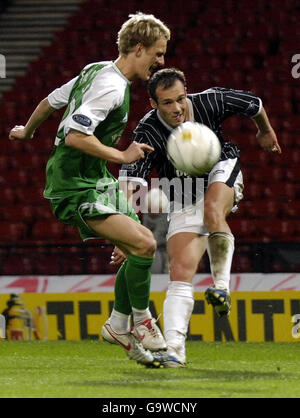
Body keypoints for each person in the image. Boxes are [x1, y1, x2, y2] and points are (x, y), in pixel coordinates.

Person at [9, 13, 171, 367]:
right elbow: (75, 135)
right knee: (145, 243)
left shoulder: (96, 69)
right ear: (138, 48)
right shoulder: (111, 87)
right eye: (157, 54)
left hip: (98, 181)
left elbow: (52, 100)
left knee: (133, 248)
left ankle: (117, 326)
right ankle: (141, 320)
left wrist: (28, 131)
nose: (161, 62)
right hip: (74, 186)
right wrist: (122, 154)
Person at [114, 68, 281, 367]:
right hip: (182, 192)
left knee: (213, 211)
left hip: (222, 166)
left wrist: (264, 130)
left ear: (187, 91)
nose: (177, 108)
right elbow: (130, 184)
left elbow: (254, 104)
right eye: (167, 103)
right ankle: (175, 350)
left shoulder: (209, 101)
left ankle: (221, 287)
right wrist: (122, 232)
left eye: (180, 99)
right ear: (153, 103)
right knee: (179, 271)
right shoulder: (148, 131)